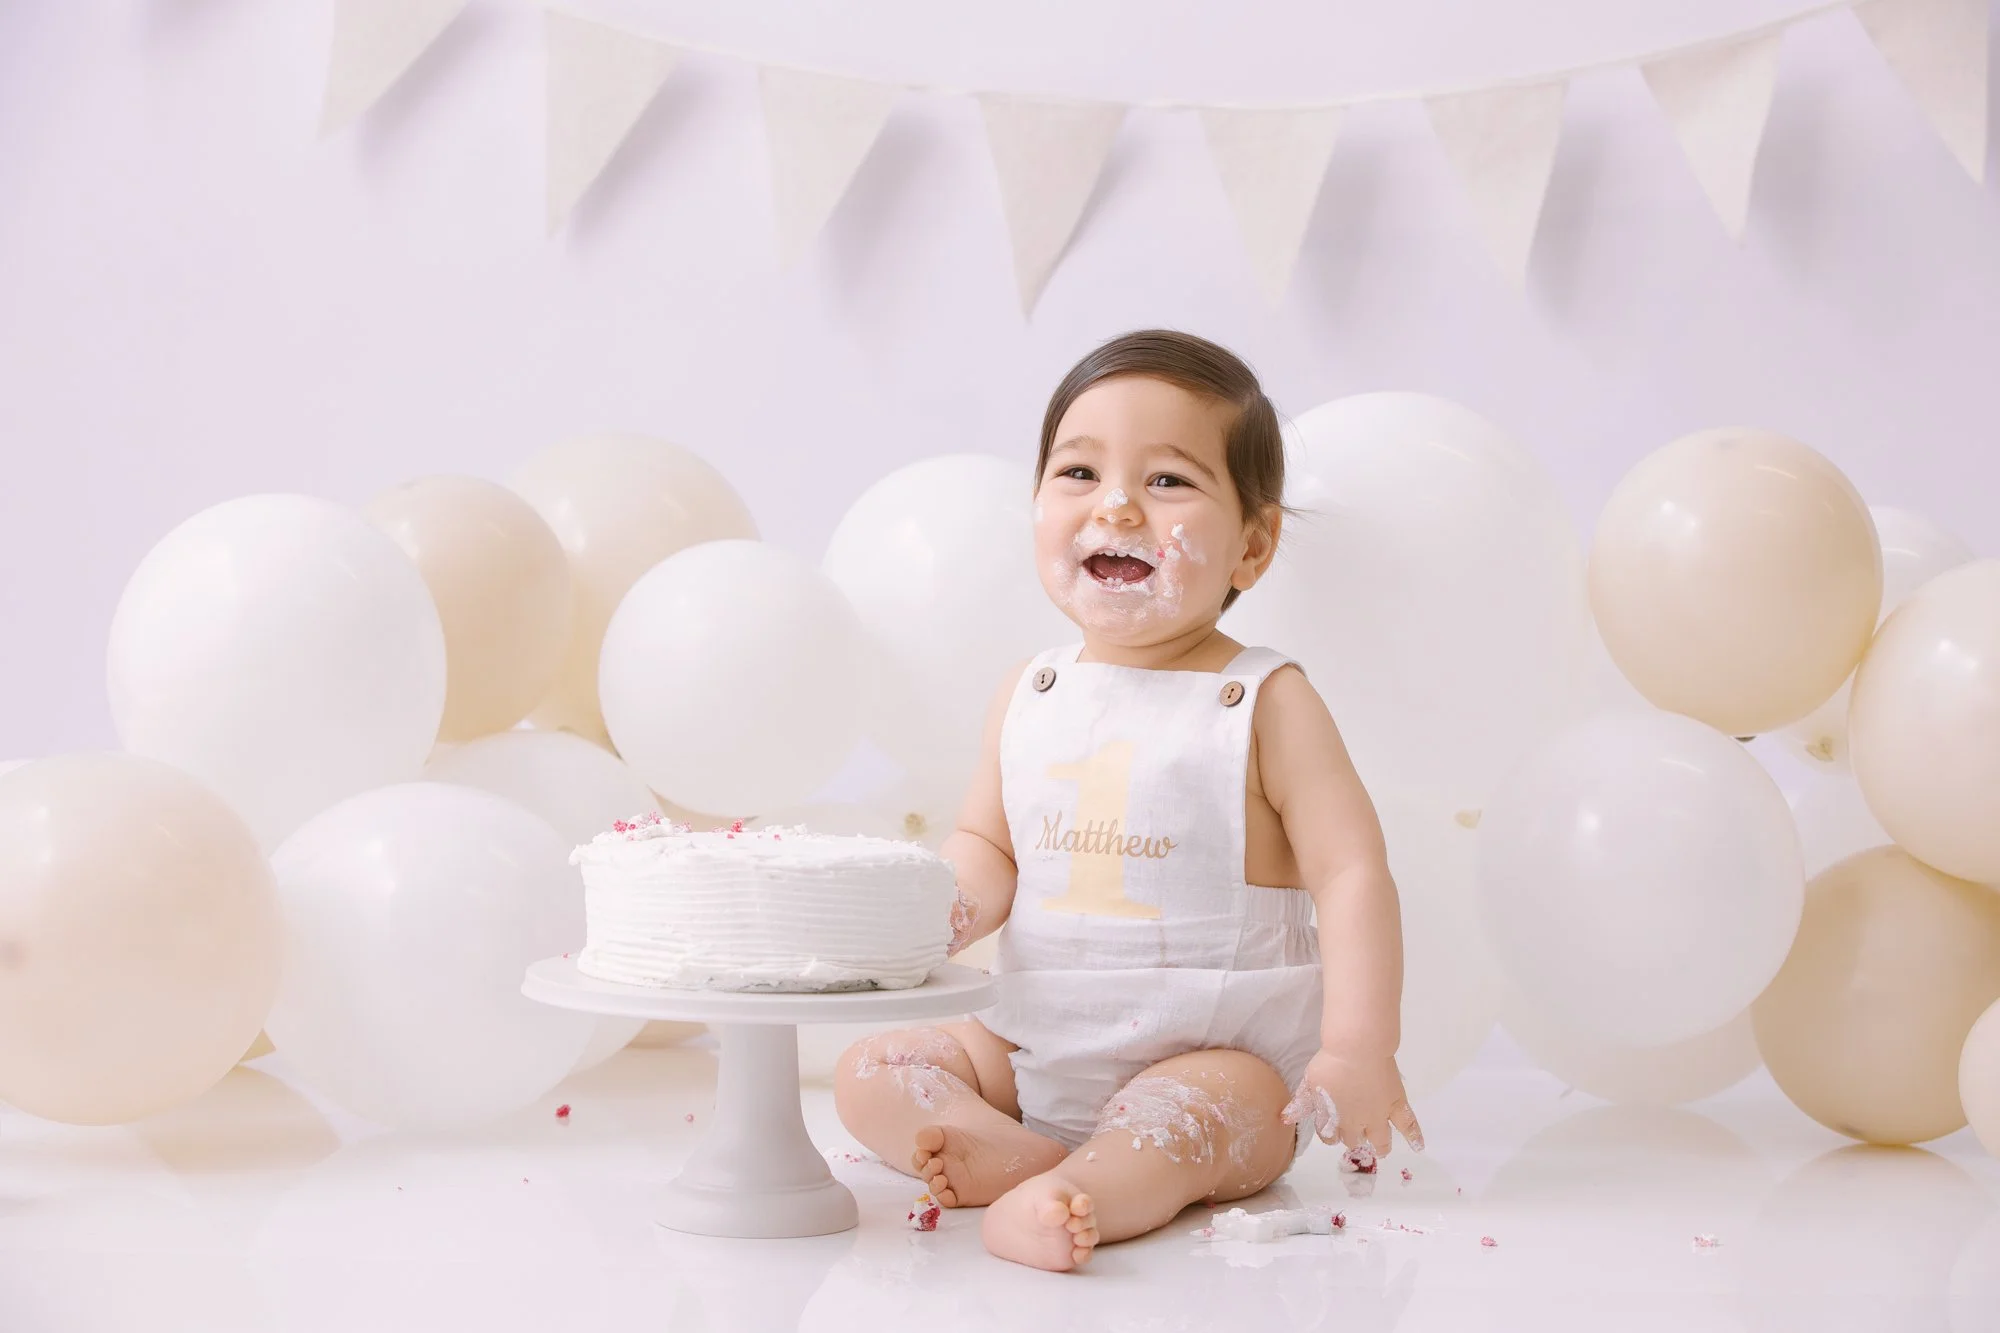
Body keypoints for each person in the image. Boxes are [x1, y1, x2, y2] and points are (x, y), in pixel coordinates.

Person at [834, 329, 1420, 1272]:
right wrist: (928, 920)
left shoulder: (1263, 701)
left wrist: (1357, 1046)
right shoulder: (1031, 691)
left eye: (1168, 482)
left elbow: (1351, 873)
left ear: (1254, 545)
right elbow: (987, 842)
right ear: (1035, 505)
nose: (1115, 504)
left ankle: (1085, 1190)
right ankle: (1019, 1150)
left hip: (1217, 1059)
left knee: (1187, 1119)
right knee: (873, 1071)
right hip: (1029, 1047)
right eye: (1077, 471)